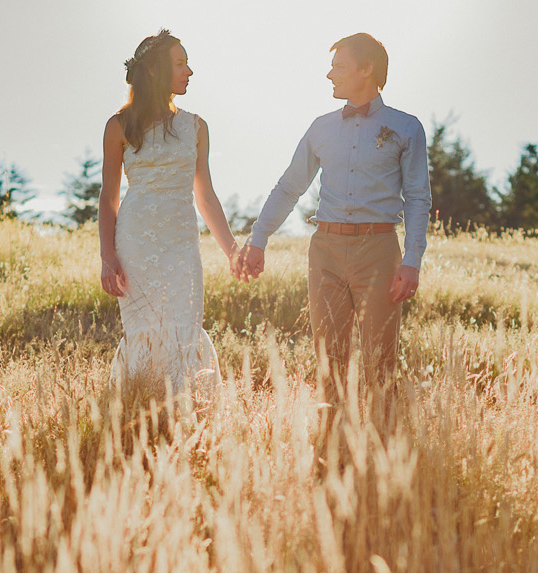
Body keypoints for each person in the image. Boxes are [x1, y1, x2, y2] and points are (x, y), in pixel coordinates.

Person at [236, 33, 430, 393]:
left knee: (379, 363)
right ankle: (331, 444)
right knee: (329, 363)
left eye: (338, 66)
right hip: (325, 251)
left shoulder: (406, 128)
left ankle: (379, 445)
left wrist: (412, 260)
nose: (329, 75)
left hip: (379, 252)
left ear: (367, 69)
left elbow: (418, 198)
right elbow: (289, 187)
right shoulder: (320, 127)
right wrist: (258, 239)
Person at [99, 30, 238, 396]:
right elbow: (108, 197)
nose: (189, 71)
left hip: (181, 243)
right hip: (135, 243)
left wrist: (232, 251)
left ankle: (187, 415)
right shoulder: (119, 126)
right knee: (143, 329)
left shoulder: (195, 127)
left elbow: (205, 195)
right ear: (155, 71)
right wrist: (107, 256)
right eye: (180, 64)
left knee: (183, 325)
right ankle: (139, 411)